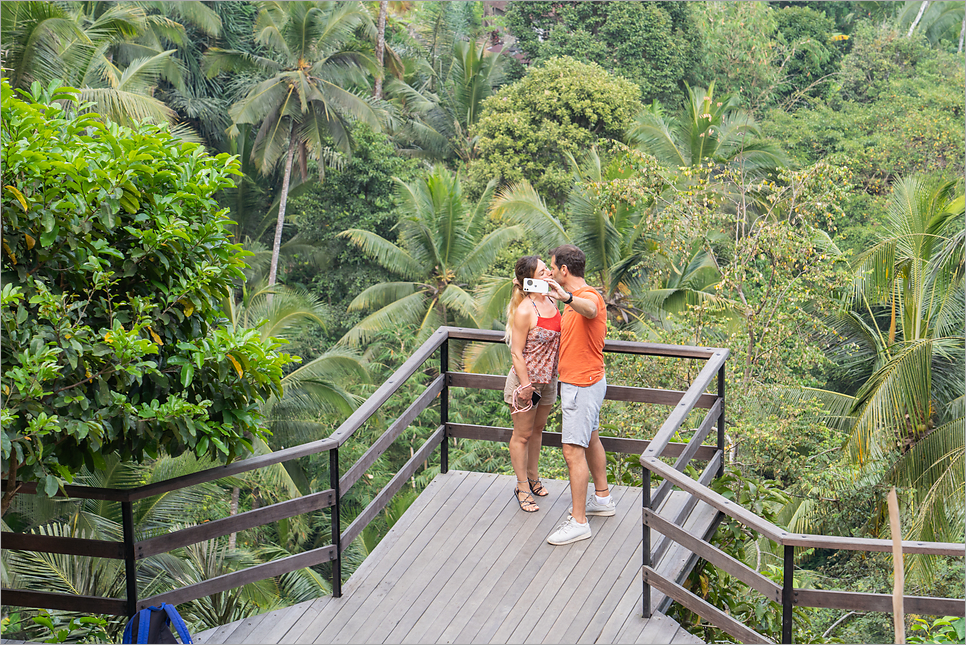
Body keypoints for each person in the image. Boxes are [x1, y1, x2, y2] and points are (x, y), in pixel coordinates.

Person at [543, 244, 614, 545]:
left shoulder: (587, 296)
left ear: (564, 270)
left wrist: (567, 297)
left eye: (552, 267)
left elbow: (592, 309)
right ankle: (602, 498)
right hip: (586, 381)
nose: (550, 271)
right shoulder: (570, 300)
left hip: (582, 385)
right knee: (591, 438)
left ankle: (578, 520)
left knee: (572, 450)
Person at [504, 256, 561, 513]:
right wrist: (526, 386)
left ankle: (534, 477)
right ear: (530, 280)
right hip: (526, 385)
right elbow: (516, 353)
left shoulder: (552, 299)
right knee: (522, 435)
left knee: (538, 431)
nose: (548, 271)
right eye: (543, 270)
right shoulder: (525, 310)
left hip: (548, 381)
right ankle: (522, 487)